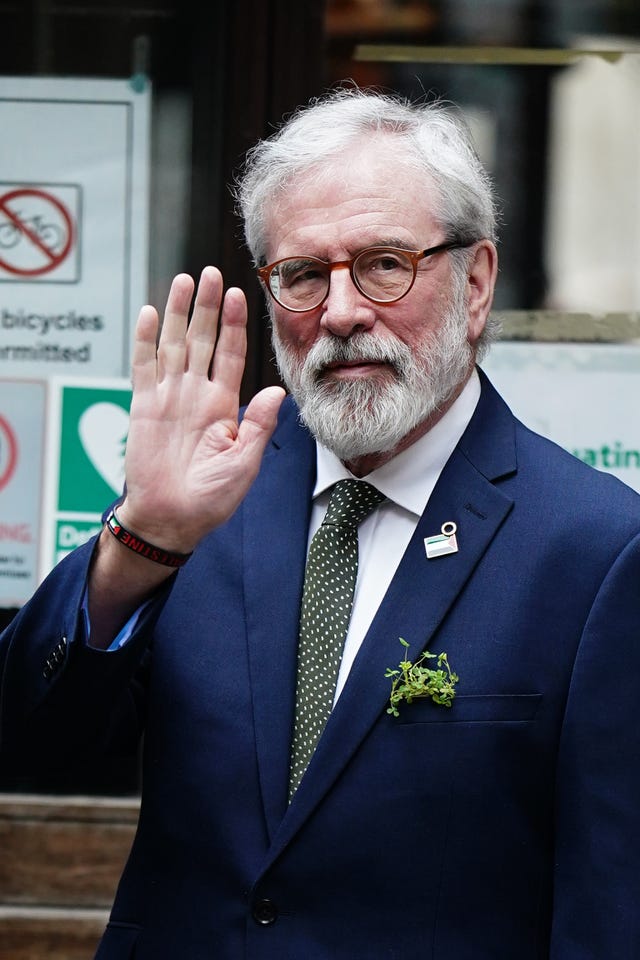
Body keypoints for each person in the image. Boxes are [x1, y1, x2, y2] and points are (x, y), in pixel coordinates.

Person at [1, 86, 639, 960]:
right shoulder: (205, 502)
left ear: (477, 281)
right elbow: (36, 746)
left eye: (384, 264)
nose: (339, 313)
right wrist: (140, 540)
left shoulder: (597, 551)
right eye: (303, 275)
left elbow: (609, 908)